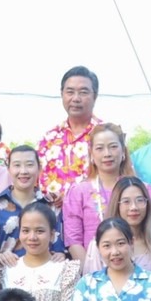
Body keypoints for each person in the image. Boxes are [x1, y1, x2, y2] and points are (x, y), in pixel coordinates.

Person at [64, 124, 151, 258]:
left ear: (123, 151)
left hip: (138, 264)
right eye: (100, 148)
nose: (107, 154)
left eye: (113, 147)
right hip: (92, 265)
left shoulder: (144, 190)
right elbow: (73, 239)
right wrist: (91, 269)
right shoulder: (78, 192)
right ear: (91, 154)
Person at [2, 202, 81, 301]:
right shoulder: (7, 269)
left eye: (40, 231)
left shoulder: (66, 269)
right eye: (26, 230)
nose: (32, 237)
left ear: (52, 234)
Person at [37, 65, 103, 204]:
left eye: (83, 92)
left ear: (95, 96)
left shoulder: (107, 136)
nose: (76, 98)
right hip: (53, 216)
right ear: (62, 94)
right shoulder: (48, 140)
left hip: (96, 214)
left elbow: (122, 182)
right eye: (70, 92)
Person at [0, 145, 63, 264]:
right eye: (17, 165)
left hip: (45, 271)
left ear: (39, 168)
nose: (23, 171)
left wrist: (61, 255)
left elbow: (60, 248)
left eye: (29, 165)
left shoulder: (52, 205)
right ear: (8, 169)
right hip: (4, 272)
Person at [82, 177, 151, 275]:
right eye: (126, 202)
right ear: (117, 205)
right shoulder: (99, 246)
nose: (134, 207)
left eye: (140, 200)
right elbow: (91, 282)